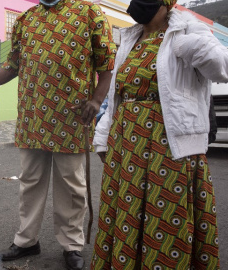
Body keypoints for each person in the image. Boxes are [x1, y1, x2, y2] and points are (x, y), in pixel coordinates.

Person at [0, 0, 116, 269]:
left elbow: (107, 64)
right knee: (30, 181)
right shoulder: (26, 20)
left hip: (72, 116)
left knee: (71, 185)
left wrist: (97, 100)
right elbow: (12, 66)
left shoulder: (89, 13)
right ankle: (27, 241)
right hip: (32, 116)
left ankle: (72, 245)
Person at [91, 0, 228, 268]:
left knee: (165, 214)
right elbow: (118, 95)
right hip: (126, 143)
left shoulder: (188, 30)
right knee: (128, 212)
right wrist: (103, 136)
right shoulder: (131, 38)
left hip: (169, 145)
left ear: (167, 3)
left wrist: (190, 47)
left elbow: (222, 67)